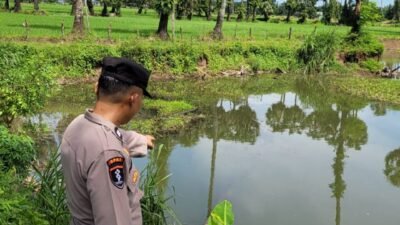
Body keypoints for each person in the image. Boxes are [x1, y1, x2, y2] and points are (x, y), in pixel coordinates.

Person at [61, 57, 155, 225]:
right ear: (133, 98)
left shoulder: (79, 124)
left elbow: (116, 136)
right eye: (142, 98)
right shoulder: (109, 154)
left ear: (97, 88)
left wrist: (142, 140)